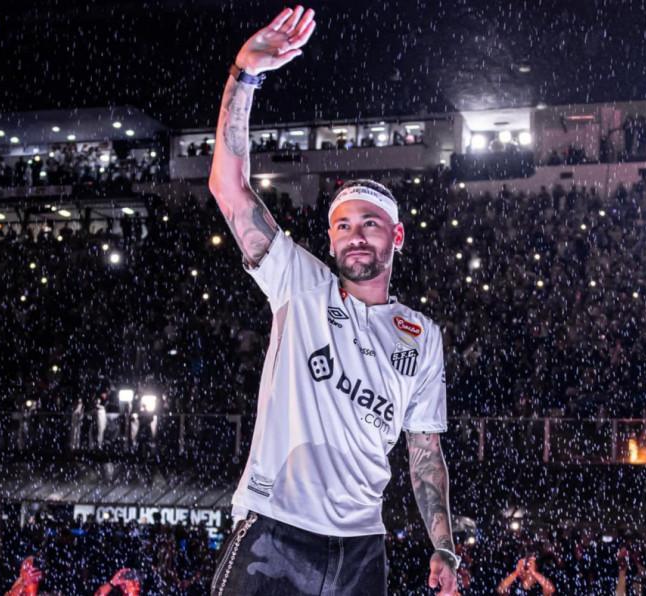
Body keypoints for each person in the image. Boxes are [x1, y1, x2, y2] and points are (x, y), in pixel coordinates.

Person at [207, 6, 457, 595]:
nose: (355, 235)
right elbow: (228, 187)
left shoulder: (421, 335)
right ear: (330, 238)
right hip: (275, 529)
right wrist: (244, 75)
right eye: (343, 225)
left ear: (396, 236)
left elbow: (425, 452)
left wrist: (443, 544)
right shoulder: (300, 282)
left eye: (370, 223)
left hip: (361, 549)